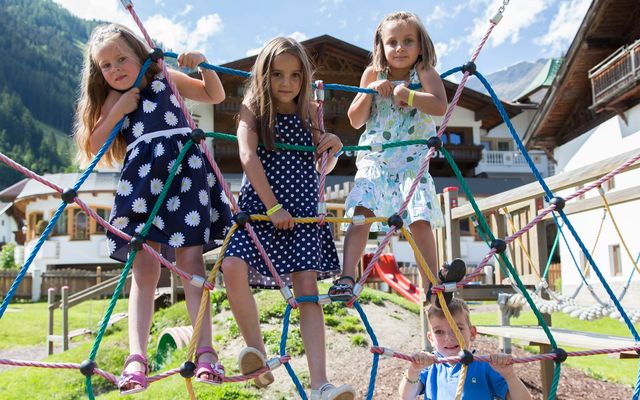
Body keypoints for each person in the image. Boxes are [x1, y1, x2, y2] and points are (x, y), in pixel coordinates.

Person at [73, 23, 232, 394]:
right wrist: (118, 112)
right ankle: (136, 359)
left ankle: (205, 352)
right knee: (144, 269)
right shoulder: (117, 98)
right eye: (105, 66)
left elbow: (214, 95)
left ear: (141, 54)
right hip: (144, 184)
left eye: (121, 59)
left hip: (185, 176)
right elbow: (94, 144)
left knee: (192, 265)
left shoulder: (165, 76)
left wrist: (204, 65)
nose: (115, 70)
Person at [221, 37, 355, 400]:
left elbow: (321, 165)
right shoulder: (254, 107)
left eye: (296, 75)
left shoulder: (308, 110)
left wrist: (334, 146)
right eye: (278, 74)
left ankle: (319, 384)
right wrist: (272, 207)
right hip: (261, 210)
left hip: (302, 216)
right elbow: (247, 156)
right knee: (232, 266)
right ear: (264, 76)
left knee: (308, 293)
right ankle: (258, 356)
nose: (286, 83)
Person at [331, 11, 465, 304]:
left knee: (419, 217)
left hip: (412, 162)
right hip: (375, 161)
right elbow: (355, 120)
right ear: (381, 46)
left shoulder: (425, 72)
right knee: (361, 212)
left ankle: (431, 282)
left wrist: (409, 94)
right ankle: (346, 277)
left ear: (420, 45)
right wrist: (369, 92)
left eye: (407, 41)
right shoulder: (372, 74)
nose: (399, 48)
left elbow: (441, 106)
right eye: (392, 42)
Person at [398, 298, 532, 399]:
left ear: (472, 333)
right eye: (439, 332)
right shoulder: (429, 366)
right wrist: (414, 370)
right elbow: (406, 396)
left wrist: (509, 375)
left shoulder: (485, 366)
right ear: (431, 338)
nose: (449, 337)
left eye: (458, 329)